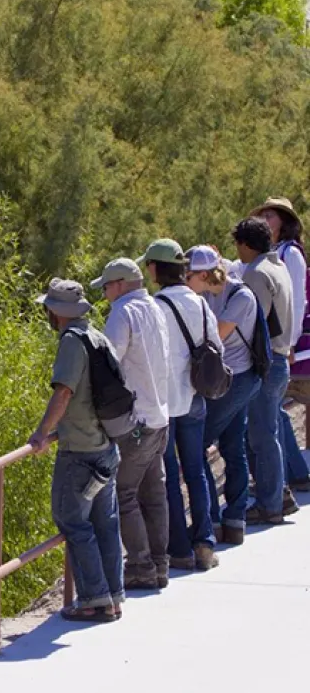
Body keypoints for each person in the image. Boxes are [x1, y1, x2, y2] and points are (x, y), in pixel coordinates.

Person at [27, 278, 124, 622]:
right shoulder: (97, 336)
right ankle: (112, 595)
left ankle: (94, 599)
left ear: (56, 312)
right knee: (105, 523)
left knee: (72, 521)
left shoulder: (71, 341)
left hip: (80, 451)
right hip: (106, 447)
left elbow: (63, 392)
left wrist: (41, 433)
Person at [141, 238, 223, 572]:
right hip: (194, 396)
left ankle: (179, 549)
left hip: (165, 401)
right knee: (197, 468)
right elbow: (215, 345)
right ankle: (204, 542)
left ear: (156, 269)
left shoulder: (154, 307)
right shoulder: (200, 303)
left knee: (170, 475)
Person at [90, 257, 171, 591]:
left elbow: (110, 362)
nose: (105, 293)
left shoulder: (122, 313)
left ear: (120, 284)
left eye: (107, 286)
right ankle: (160, 565)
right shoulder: (155, 308)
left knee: (124, 494)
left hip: (136, 421)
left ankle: (139, 565)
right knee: (155, 493)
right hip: (160, 416)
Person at [185, 246, 262, 546]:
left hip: (238, 379)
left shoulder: (241, 297)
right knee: (232, 445)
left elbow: (215, 335)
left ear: (204, 274)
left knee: (200, 443)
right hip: (222, 379)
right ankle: (234, 521)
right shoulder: (204, 294)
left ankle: (214, 520)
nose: (184, 279)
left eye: (188, 274)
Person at [234, 216, 297, 525]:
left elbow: (251, 323)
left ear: (246, 245)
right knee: (267, 431)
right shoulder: (279, 266)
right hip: (281, 357)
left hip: (265, 361)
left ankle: (270, 504)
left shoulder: (256, 273)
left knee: (261, 436)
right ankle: (279, 495)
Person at [252, 197, 310, 493]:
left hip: (285, 344)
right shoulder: (273, 253)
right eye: (263, 215)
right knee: (273, 409)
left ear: (284, 222)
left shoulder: (292, 254)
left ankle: (288, 478)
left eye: (271, 216)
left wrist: (289, 341)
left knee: (271, 409)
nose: (266, 220)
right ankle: (296, 473)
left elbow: (297, 302)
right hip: (275, 344)